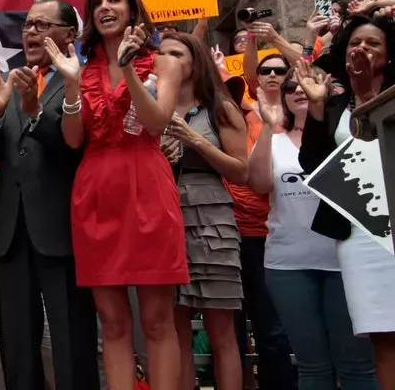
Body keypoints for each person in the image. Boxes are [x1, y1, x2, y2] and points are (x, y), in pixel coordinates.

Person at [44, 0, 185, 390]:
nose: (105, 7)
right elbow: (72, 139)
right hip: (95, 193)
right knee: (112, 320)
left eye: (114, 0)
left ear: (131, 10)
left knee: (158, 319)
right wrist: (70, 84)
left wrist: (126, 67)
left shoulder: (163, 64)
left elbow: (157, 123)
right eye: (98, 3)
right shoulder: (80, 70)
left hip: (147, 185)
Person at [0, 0, 99, 390]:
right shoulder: (7, 80)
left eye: (43, 25)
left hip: (60, 227)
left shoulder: (82, 79)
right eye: (28, 24)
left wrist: (33, 110)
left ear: (68, 34)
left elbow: (70, 147)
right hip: (9, 229)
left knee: (71, 339)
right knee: (17, 344)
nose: (31, 32)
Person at [249, 76, 380, 389]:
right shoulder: (275, 141)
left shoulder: (347, 133)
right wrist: (268, 126)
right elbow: (257, 184)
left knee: (358, 366)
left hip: (345, 261)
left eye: (306, 83)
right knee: (312, 367)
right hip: (289, 265)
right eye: (289, 87)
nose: (298, 90)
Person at [297, 14, 395, 388]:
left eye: (373, 43)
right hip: (359, 234)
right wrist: (318, 111)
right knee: (383, 334)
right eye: (355, 43)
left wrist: (369, 92)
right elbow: (312, 164)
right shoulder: (334, 106)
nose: (362, 49)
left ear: (388, 55)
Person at [157, 32, 248, 390]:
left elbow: (241, 171)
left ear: (194, 65)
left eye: (175, 53)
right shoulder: (151, 106)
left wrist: (194, 140)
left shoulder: (219, 108)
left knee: (221, 331)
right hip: (163, 215)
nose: (165, 59)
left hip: (211, 223)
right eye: (160, 53)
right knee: (173, 329)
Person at [227, 53, 298, 389]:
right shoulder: (239, 111)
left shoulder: (300, 120)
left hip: (276, 233)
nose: (272, 75)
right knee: (230, 330)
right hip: (232, 232)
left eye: (279, 70)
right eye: (264, 70)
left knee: (273, 330)